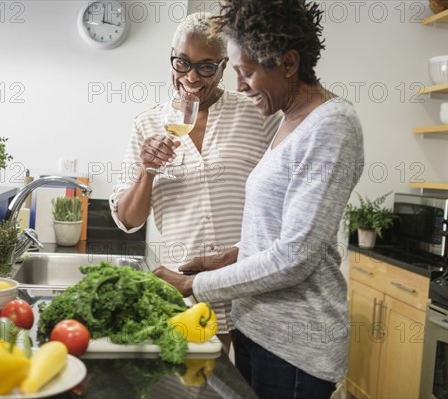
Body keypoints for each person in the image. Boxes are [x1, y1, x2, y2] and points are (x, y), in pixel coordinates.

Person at [153, 1, 365, 398]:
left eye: (246, 72)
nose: (239, 86)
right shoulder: (290, 119)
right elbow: (280, 229)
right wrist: (235, 253)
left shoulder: (332, 126)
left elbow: (294, 256)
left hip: (294, 346)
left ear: (287, 63)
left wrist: (192, 284)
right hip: (257, 329)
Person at [109, 12, 282, 353]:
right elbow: (129, 221)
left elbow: (282, 198)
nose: (191, 76)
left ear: (223, 67)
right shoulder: (147, 124)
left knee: (244, 389)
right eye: (182, 63)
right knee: (189, 385)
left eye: (206, 67)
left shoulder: (258, 114)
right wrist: (147, 171)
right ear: (171, 58)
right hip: (183, 293)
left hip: (250, 291)